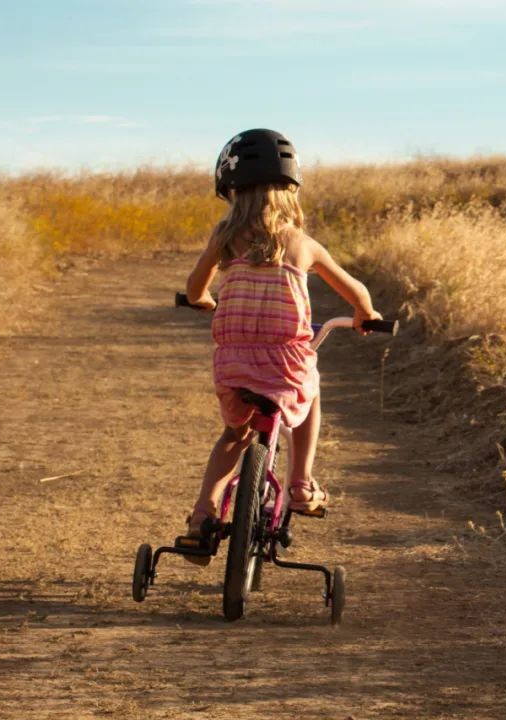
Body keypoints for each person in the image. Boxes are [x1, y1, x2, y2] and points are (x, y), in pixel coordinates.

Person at [182, 129, 381, 563]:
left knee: (235, 435)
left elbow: (195, 286)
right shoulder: (301, 243)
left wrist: (201, 300)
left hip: (233, 362)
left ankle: (202, 517)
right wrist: (366, 315)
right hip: (286, 360)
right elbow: (356, 291)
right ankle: (301, 486)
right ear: (290, 190)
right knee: (310, 393)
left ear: (231, 190)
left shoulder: (224, 237)